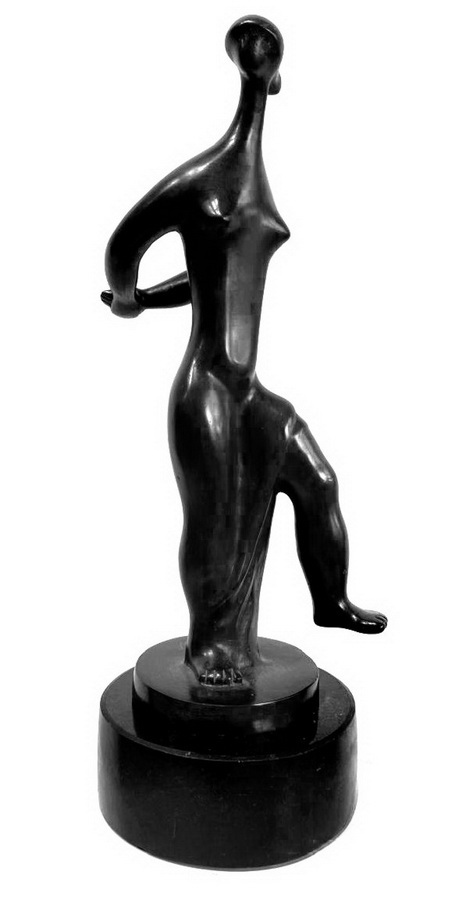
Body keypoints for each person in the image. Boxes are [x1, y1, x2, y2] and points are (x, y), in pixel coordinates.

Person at [101, 16, 387, 686]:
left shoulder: (256, 179)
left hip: (247, 389)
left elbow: (213, 280)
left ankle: (330, 602)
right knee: (216, 521)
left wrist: (143, 298)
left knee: (317, 482)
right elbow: (123, 246)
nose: (262, 65)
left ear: (277, 79)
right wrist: (128, 299)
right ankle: (211, 647)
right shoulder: (203, 175)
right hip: (205, 388)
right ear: (265, 74)